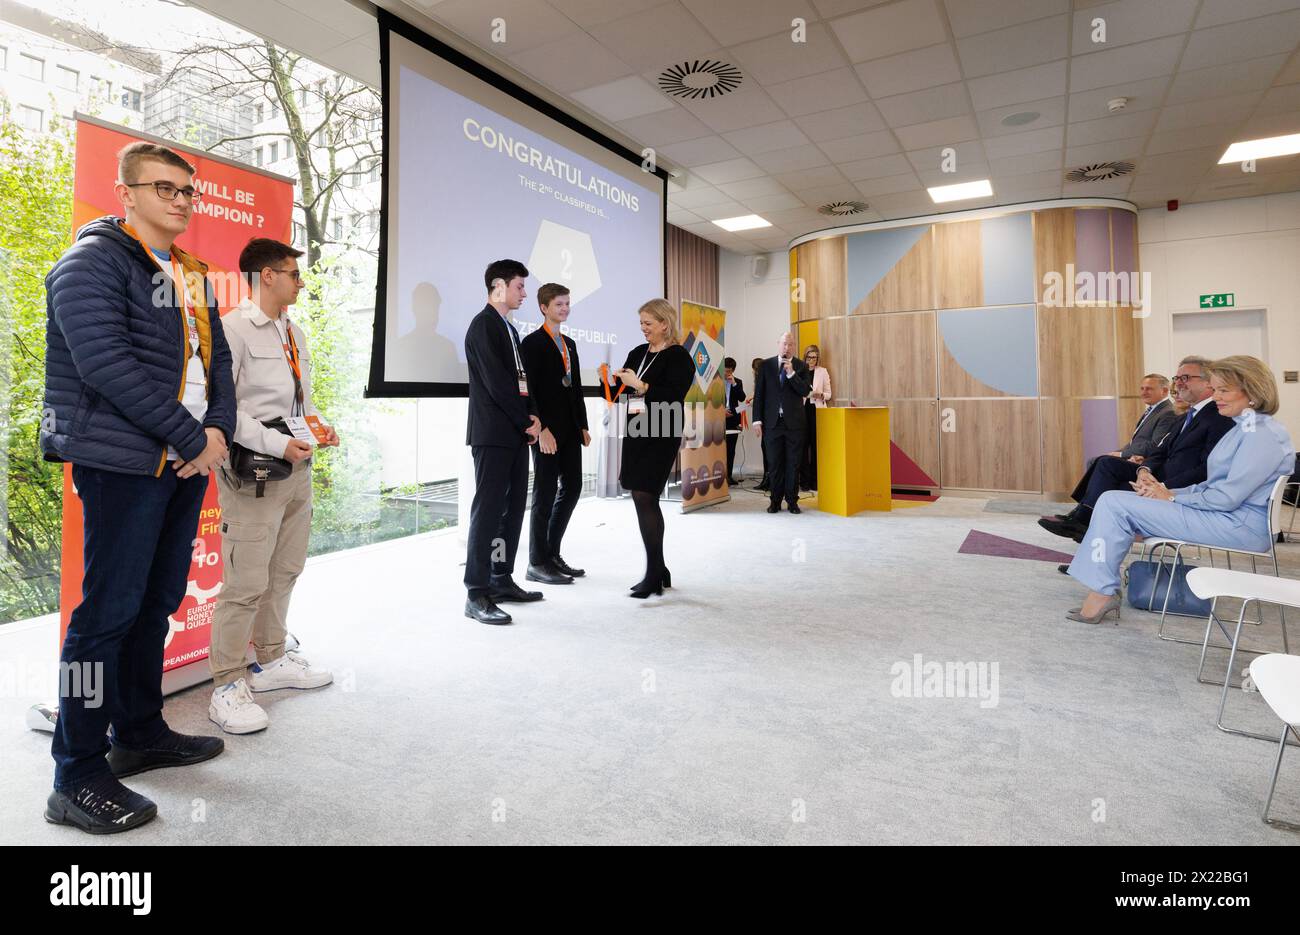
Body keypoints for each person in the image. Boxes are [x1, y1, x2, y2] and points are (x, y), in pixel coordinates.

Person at [40, 142, 236, 833]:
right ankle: (76, 772)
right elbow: (105, 368)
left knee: (156, 604)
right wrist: (191, 439)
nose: (181, 199)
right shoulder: (89, 262)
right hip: (124, 463)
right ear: (125, 193)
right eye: (165, 187)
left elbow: (220, 368)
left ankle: (140, 732)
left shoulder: (188, 273)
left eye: (189, 190)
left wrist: (214, 433)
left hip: (183, 462)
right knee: (103, 620)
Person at [206, 238, 339, 735]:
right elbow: (224, 411)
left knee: (286, 569)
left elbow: (297, 403)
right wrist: (276, 444)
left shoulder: (292, 330)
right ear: (266, 276)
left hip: (295, 466)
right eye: (292, 273)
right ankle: (225, 684)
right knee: (245, 583)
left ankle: (270, 660)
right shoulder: (233, 329)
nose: (299, 281)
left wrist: (316, 429)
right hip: (254, 470)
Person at [1066, 356, 1295, 623]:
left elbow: (1226, 497)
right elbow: (1211, 485)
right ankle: (1103, 588)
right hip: (1226, 517)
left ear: (1253, 392)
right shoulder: (1243, 428)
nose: (1216, 395)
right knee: (1114, 501)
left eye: (1223, 390)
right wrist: (1163, 491)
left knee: (1114, 504)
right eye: (1216, 388)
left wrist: (1172, 497)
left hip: (1238, 525)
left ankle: (1102, 593)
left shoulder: (1261, 435)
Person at [1040, 357, 1232, 543]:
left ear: (1209, 383)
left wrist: (1161, 488)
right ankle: (1083, 518)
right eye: (1176, 378)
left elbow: (1207, 468)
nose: (1178, 384)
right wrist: (1144, 470)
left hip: (1173, 484)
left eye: (1185, 378)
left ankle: (1084, 525)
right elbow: (1160, 451)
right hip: (1155, 475)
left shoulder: (1218, 416)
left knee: (1109, 492)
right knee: (1106, 463)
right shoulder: (1186, 416)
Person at [463, 260, 544, 624]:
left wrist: (534, 416)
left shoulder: (509, 329)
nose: (524, 293)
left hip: (514, 432)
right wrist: (524, 420)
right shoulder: (483, 327)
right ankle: (476, 593)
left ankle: (500, 578)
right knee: (489, 510)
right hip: (493, 434)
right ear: (498, 286)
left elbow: (522, 381)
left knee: (511, 510)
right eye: (519, 287)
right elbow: (497, 384)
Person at [611, 299, 694, 598]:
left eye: (648, 323)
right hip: (637, 429)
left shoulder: (680, 357)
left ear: (665, 324)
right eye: (641, 323)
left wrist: (643, 387)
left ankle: (653, 574)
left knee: (645, 495)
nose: (643, 328)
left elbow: (674, 396)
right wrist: (609, 381)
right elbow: (621, 392)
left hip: (663, 429)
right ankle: (659, 569)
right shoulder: (637, 352)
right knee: (640, 495)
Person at [520, 283, 590, 584]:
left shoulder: (570, 343)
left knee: (573, 488)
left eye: (567, 304)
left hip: (571, 430)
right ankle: (536, 562)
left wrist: (583, 424)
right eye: (558, 304)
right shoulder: (532, 343)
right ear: (543, 308)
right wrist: (542, 429)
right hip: (546, 431)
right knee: (545, 493)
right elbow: (530, 391)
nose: (564, 309)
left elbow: (575, 388)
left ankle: (552, 553)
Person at [752, 332, 812, 514]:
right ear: (778, 344)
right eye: (785, 344)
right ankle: (775, 501)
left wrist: (791, 373)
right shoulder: (766, 366)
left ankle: (792, 501)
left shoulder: (801, 366)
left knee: (793, 464)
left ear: (795, 346)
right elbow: (760, 395)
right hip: (772, 424)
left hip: (794, 424)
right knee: (775, 464)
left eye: (791, 344)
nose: (787, 347)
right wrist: (756, 420)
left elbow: (805, 391)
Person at [799, 344, 831, 492]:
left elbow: (829, 394)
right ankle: (804, 482)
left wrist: (821, 395)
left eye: (814, 357)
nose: (811, 360)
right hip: (802, 411)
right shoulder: (799, 371)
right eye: (809, 357)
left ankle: (815, 481)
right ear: (804, 357)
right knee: (803, 447)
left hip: (817, 411)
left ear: (817, 358)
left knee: (816, 447)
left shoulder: (823, 372)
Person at [723, 357, 745, 485]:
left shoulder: (738, 382)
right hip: (718, 418)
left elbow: (742, 398)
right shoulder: (716, 381)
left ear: (733, 370)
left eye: (729, 371)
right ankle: (720, 476)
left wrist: (734, 384)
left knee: (731, 449)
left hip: (733, 419)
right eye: (724, 371)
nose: (726, 374)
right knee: (719, 448)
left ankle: (729, 476)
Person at [748, 356, 768, 491]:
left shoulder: (764, 380)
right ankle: (767, 479)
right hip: (765, 420)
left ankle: (769, 480)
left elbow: (763, 400)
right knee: (765, 449)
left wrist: (754, 401)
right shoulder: (762, 380)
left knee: (768, 450)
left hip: (767, 420)